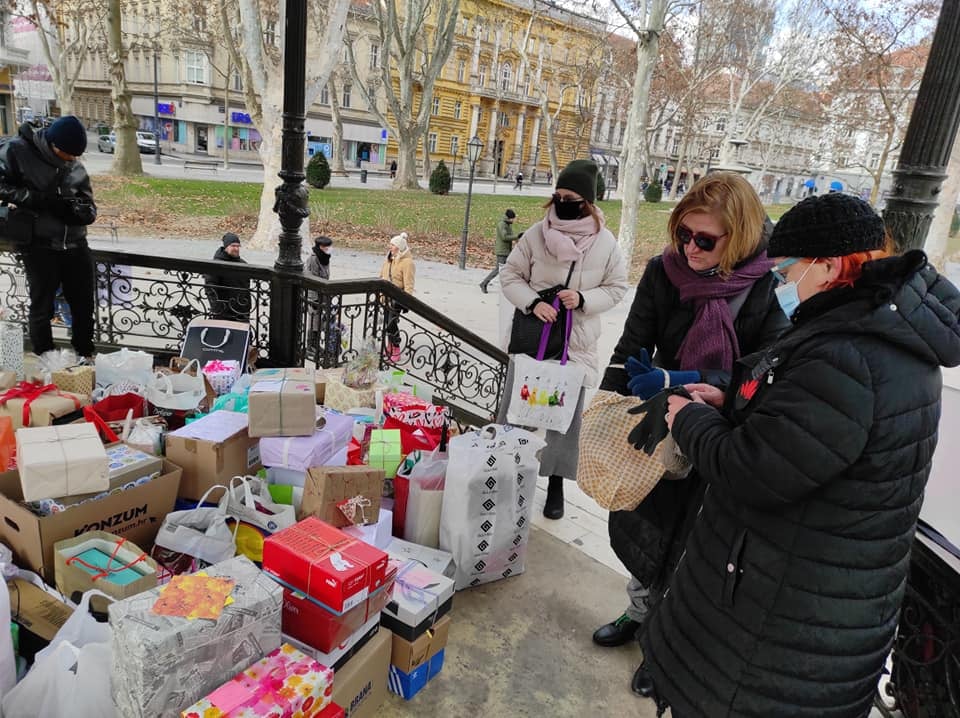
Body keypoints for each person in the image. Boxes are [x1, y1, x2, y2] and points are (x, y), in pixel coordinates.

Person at [643, 194, 960, 718]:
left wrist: (688, 418)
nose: (779, 284)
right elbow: (801, 427)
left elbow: (754, 468)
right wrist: (731, 399)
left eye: (787, 271)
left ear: (829, 267)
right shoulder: (872, 330)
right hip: (812, 598)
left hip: (782, 620)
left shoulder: (850, 354)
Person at [591, 172, 789, 697]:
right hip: (660, 421)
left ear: (738, 237)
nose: (690, 248)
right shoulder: (665, 272)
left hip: (724, 435)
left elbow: (766, 374)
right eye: (683, 234)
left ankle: (665, 644)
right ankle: (639, 612)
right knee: (647, 525)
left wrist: (688, 380)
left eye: (705, 239)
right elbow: (632, 345)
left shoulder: (770, 285)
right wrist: (605, 408)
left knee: (695, 547)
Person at [499, 159, 629, 519]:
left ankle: (555, 482)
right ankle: (505, 471)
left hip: (575, 343)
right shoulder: (535, 234)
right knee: (518, 409)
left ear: (587, 201)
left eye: (570, 198)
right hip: (534, 338)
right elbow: (510, 275)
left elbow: (617, 287)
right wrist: (533, 302)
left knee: (565, 420)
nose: (561, 203)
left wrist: (584, 299)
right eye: (558, 196)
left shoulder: (605, 243)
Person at [0, 115, 98, 358]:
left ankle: (85, 354)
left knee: (83, 304)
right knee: (42, 305)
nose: (72, 159)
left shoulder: (74, 165)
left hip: (75, 243)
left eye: (76, 155)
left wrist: (80, 212)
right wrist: (36, 200)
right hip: (40, 244)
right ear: (53, 145)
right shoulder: (17, 151)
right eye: (68, 153)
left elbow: (88, 202)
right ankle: (45, 358)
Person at [380, 231, 415, 363]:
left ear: (399, 247)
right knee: (387, 323)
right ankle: (389, 346)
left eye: (393, 245)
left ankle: (396, 348)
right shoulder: (389, 259)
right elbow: (382, 276)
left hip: (397, 299)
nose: (390, 247)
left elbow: (409, 284)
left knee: (392, 323)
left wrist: (406, 301)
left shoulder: (407, 263)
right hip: (385, 297)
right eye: (390, 244)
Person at [204, 232, 251, 322]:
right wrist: (217, 309)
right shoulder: (216, 264)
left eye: (238, 246)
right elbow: (210, 288)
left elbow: (246, 289)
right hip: (223, 313)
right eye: (233, 246)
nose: (236, 248)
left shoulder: (243, 264)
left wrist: (247, 308)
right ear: (226, 247)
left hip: (241, 312)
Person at [306, 235, 336, 352]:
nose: (329, 248)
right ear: (321, 247)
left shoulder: (325, 257)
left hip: (323, 293)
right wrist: (316, 298)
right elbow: (313, 278)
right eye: (327, 246)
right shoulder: (313, 259)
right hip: (314, 295)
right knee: (314, 320)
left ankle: (315, 344)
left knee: (319, 321)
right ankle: (311, 345)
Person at [479, 209, 520, 294]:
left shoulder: (507, 224)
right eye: (513, 218)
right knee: (498, 269)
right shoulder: (502, 224)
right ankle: (484, 283)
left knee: (509, 268)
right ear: (509, 218)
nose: (514, 220)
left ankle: (508, 287)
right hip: (502, 251)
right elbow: (504, 237)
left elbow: (509, 236)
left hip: (507, 251)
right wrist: (517, 236)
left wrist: (517, 238)